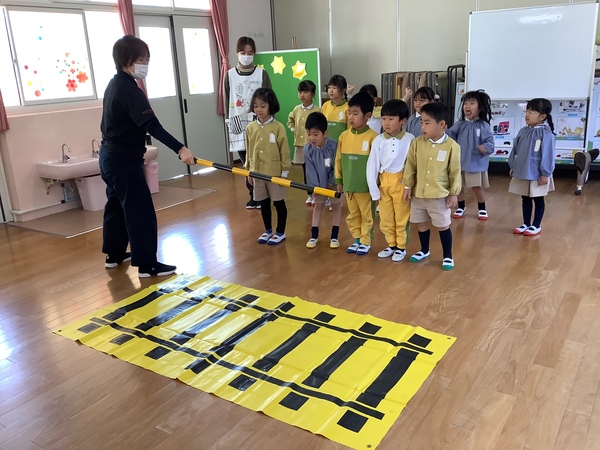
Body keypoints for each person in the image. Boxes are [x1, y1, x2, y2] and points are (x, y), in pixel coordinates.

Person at [99, 35, 196, 278]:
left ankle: (114, 255)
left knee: (116, 205)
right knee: (139, 210)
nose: (145, 64)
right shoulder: (130, 90)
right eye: (140, 59)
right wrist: (181, 149)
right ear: (126, 60)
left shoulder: (114, 84)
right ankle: (146, 265)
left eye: (147, 59)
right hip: (123, 160)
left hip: (109, 157)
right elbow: (153, 126)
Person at [403, 102, 461, 270]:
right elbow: (410, 165)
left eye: (427, 123)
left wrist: (453, 193)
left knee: (443, 225)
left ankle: (448, 255)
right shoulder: (417, 143)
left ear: (441, 125)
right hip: (419, 193)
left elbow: (455, 172)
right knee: (422, 224)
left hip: (439, 195)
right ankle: (424, 250)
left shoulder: (452, 147)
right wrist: (408, 186)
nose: (423, 126)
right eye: (422, 122)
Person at [224, 36, 272, 209]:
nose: (246, 56)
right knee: (246, 162)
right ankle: (253, 194)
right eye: (243, 52)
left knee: (260, 159)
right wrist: (229, 120)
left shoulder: (262, 73)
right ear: (237, 53)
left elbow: (270, 98)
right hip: (238, 122)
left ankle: (263, 195)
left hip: (259, 122)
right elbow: (227, 98)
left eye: (250, 53)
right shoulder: (229, 75)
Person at [367, 99, 414, 262]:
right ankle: (391, 244)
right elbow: (372, 165)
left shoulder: (410, 139)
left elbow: (412, 165)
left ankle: (401, 246)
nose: (386, 123)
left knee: (402, 216)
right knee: (386, 216)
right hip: (384, 182)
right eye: (384, 118)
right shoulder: (379, 140)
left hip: (401, 181)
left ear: (403, 121)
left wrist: (409, 185)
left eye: (391, 119)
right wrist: (374, 190)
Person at [245, 88, 291, 245]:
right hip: (257, 173)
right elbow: (249, 150)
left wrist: (284, 173)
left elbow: (284, 151)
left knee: (278, 203)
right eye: (256, 106)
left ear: (271, 106)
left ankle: (280, 231)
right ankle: (268, 230)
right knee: (263, 203)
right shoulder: (250, 128)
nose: (259, 109)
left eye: (263, 106)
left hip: (275, 173)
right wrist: (249, 171)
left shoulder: (278, 127)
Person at [335, 91, 378, 255]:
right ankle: (357, 239)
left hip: (366, 187)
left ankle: (366, 241)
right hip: (349, 186)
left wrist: (375, 185)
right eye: (349, 113)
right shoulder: (343, 136)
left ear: (367, 115)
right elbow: (338, 160)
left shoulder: (374, 138)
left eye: (355, 113)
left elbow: (377, 165)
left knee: (367, 215)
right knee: (353, 214)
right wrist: (339, 180)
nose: (351, 117)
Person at [508, 98, 556, 236]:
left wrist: (545, 173)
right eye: (527, 111)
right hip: (523, 171)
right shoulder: (523, 131)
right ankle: (526, 223)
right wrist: (513, 165)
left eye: (532, 112)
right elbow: (515, 150)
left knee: (538, 198)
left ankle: (536, 225)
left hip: (538, 174)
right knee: (525, 198)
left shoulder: (546, 134)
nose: (527, 115)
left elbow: (548, 154)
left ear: (543, 116)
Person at [446, 90, 494, 220]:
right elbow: (451, 135)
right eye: (465, 103)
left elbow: (490, 141)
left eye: (472, 103)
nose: (467, 106)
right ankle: (461, 206)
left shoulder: (483, 125)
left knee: (477, 187)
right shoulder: (460, 124)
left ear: (480, 108)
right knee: (459, 187)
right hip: (460, 162)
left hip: (475, 163)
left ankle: (482, 208)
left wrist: (486, 147)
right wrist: (445, 131)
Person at [304, 112, 342, 249]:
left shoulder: (334, 146)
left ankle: (334, 236)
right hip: (319, 186)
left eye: (315, 134)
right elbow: (310, 170)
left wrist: (331, 182)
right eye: (309, 134)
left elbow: (337, 166)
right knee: (318, 207)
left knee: (336, 207)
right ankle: (314, 236)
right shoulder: (308, 149)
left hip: (333, 184)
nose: (311, 138)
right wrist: (315, 187)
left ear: (325, 133)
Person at [287, 80, 321, 205]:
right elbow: (290, 120)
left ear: (312, 94)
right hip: (301, 146)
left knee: (317, 170)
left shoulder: (317, 110)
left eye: (306, 92)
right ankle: (309, 194)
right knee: (306, 171)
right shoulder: (297, 109)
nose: (302, 95)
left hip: (314, 147)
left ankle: (319, 193)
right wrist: (293, 128)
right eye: (300, 92)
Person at [321, 75, 349, 142]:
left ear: (343, 90)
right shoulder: (325, 106)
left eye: (334, 88)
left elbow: (349, 130)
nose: (331, 90)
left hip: (342, 144)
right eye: (329, 87)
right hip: (326, 145)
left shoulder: (348, 108)